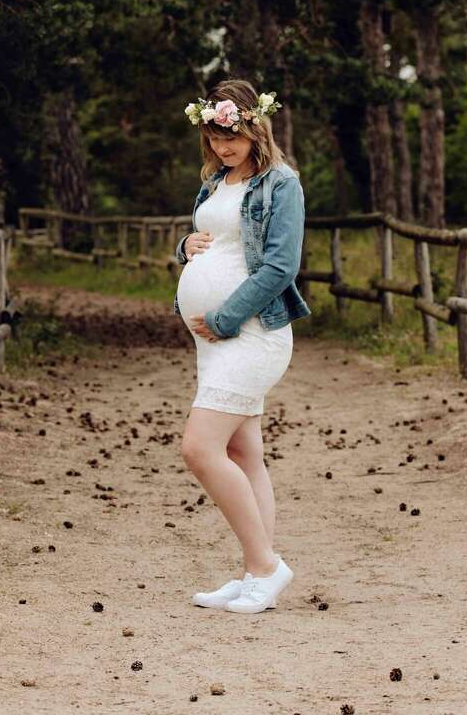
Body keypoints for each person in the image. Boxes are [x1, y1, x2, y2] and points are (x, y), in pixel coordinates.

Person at [173, 78, 311, 614]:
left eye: (230, 136)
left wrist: (226, 317)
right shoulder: (216, 181)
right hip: (214, 343)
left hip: (251, 334)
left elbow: (280, 266)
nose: (222, 146)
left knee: (199, 448)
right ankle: (255, 573)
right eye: (213, 137)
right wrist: (185, 247)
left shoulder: (282, 184)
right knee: (243, 453)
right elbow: (215, 243)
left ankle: (267, 567)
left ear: (256, 128)